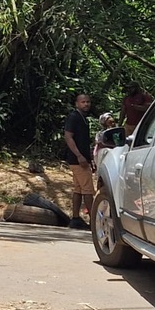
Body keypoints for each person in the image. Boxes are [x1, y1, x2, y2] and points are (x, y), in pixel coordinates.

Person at [64, 94, 94, 229]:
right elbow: (68, 137)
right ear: (77, 104)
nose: (86, 104)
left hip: (81, 158)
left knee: (78, 189)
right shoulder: (74, 117)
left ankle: (75, 218)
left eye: (88, 102)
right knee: (88, 190)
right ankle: (94, 221)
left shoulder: (84, 119)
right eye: (83, 102)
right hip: (78, 160)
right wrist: (79, 155)